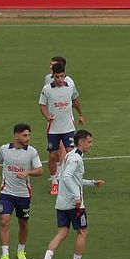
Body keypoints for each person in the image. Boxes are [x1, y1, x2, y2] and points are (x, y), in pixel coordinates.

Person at [40, 129, 104, 259]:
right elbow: (68, 177)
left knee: (62, 233)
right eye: (89, 142)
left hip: (61, 202)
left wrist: (92, 183)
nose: (91, 145)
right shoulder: (77, 158)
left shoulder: (69, 156)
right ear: (81, 142)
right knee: (82, 231)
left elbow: (73, 178)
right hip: (74, 204)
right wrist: (77, 197)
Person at [0, 122, 44, 259]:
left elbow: (40, 170)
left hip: (24, 194)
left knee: (23, 223)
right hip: (6, 193)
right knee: (4, 221)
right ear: (16, 136)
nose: (28, 138)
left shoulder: (32, 152)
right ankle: (5, 254)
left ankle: (21, 250)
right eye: (25, 135)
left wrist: (28, 172)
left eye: (29, 135)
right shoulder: (4, 149)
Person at [38, 60, 83, 197]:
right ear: (53, 75)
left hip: (68, 127)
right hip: (53, 129)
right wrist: (47, 117)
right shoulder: (47, 89)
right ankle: (54, 182)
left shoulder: (70, 86)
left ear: (65, 75)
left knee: (70, 154)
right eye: (57, 76)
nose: (59, 79)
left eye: (61, 76)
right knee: (53, 155)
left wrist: (80, 114)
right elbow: (42, 105)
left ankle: (69, 181)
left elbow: (75, 101)